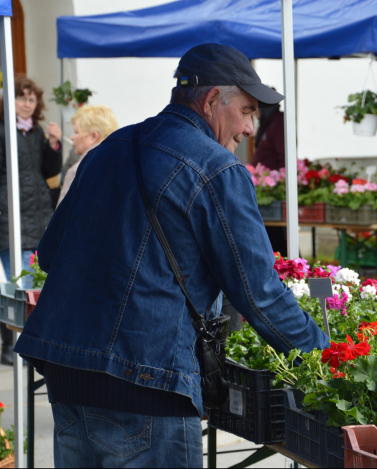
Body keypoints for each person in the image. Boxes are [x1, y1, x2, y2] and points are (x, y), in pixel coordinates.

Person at [14, 43, 329, 468]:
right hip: (148, 381)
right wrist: (324, 362)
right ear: (214, 100)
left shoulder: (108, 148)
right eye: (249, 111)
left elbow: (50, 254)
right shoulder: (218, 168)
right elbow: (261, 294)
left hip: (68, 372)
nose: (251, 128)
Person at [0, 75, 62, 366]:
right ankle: (11, 346)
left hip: (36, 215)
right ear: (9, 101)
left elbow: (49, 171)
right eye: (21, 98)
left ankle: (31, 343)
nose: (26, 104)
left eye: (31, 99)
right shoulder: (3, 130)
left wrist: (53, 144)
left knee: (35, 283)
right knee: (17, 286)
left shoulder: (35, 132)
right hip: (10, 216)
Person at [58, 104, 118, 205]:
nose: (72, 137)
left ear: (93, 137)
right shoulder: (125, 167)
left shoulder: (77, 171)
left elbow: (61, 219)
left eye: (76, 132)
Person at [251, 99, 288, 255]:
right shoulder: (267, 122)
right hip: (267, 186)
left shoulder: (278, 123)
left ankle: (288, 266)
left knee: (277, 237)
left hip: (274, 189)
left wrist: (281, 180)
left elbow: (284, 156)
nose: (255, 113)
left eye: (256, 109)